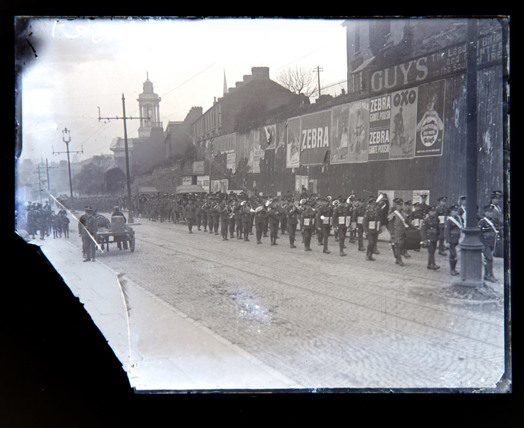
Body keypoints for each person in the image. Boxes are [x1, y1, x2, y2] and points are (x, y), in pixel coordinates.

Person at [479, 205, 502, 282]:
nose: (490, 214)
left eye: (491, 212)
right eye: (488, 212)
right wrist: (482, 244)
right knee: (489, 259)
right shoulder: (482, 222)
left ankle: (486, 275)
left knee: (488, 259)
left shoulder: (493, 221)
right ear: (485, 212)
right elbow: (480, 234)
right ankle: (490, 275)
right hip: (485, 243)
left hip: (492, 243)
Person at [387, 198, 408, 266]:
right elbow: (389, 224)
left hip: (402, 232)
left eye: (401, 205)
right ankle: (399, 259)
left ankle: (397, 258)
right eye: (399, 205)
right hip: (395, 232)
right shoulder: (393, 213)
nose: (400, 206)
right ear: (396, 205)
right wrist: (392, 233)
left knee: (401, 245)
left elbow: (406, 221)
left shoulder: (403, 213)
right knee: (397, 246)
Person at [420, 205, 441, 270]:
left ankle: (429, 264)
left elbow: (438, 228)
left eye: (434, 211)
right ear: (428, 212)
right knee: (431, 251)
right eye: (431, 211)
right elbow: (423, 231)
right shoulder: (426, 220)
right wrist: (424, 240)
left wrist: (438, 236)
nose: (433, 213)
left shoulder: (436, 219)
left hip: (434, 237)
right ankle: (433, 264)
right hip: (429, 238)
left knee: (433, 251)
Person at [445, 204, 463, 276]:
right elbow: (446, 231)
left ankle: (454, 269)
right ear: (451, 212)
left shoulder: (459, 218)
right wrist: (448, 241)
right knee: (453, 254)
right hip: (452, 239)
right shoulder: (449, 220)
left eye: (457, 211)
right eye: (454, 211)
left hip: (458, 238)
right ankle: (452, 269)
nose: (456, 212)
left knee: (456, 255)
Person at [362, 197, 381, 261]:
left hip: (375, 229)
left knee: (374, 243)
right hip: (369, 230)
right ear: (369, 205)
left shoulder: (376, 212)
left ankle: (370, 255)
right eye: (372, 204)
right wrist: (366, 231)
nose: (373, 206)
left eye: (374, 204)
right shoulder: (367, 212)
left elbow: (378, 220)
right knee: (371, 242)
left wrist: (379, 228)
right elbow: (364, 222)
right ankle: (367, 255)